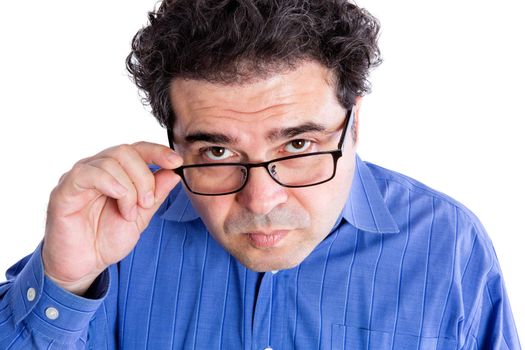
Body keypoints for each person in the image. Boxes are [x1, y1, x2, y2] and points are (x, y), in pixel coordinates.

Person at [0, 0, 521, 349]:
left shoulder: (447, 243)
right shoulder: (112, 235)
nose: (262, 199)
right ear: (172, 141)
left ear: (354, 123)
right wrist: (63, 279)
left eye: (298, 145)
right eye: (219, 151)